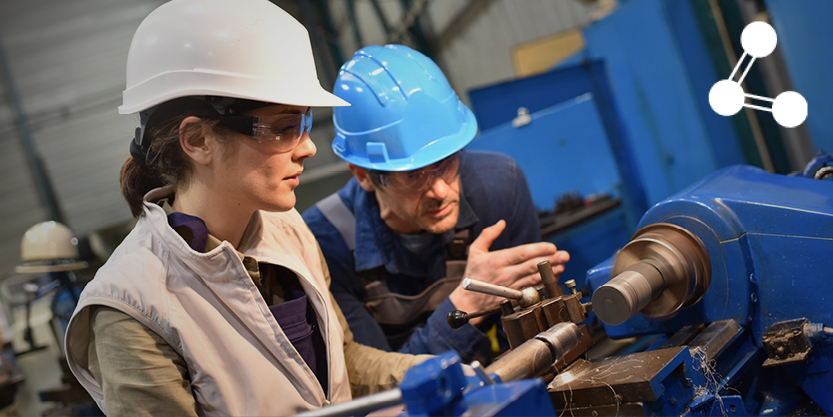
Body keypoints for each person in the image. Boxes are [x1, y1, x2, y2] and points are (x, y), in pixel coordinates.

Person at [63, 2, 427, 416]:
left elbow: (344, 365)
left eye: (305, 124)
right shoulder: (132, 307)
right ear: (197, 140)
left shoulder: (288, 229)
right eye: (284, 128)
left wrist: (429, 371)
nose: (308, 147)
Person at [303, 45, 570, 364]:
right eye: (413, 175)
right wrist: (467, 304)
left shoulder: (499, 188)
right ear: (363, 175)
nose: (441, 190)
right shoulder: (326, 242)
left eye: (446, 162)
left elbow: (531, 344)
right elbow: (375, 383)